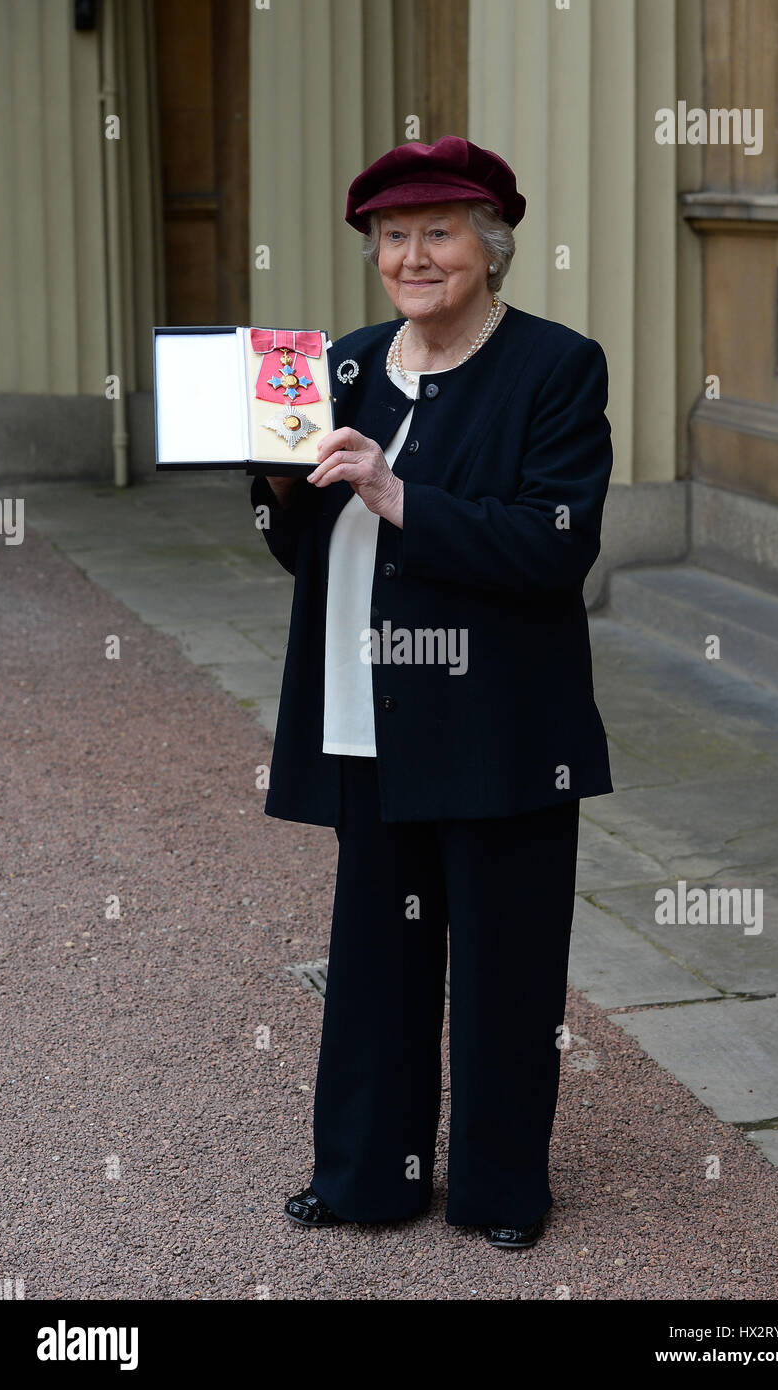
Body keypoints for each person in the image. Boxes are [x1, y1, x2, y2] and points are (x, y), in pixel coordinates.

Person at [250, 135, 614, 1248]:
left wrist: (395, 490)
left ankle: (502, 1193)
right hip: (370, 715)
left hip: (500, 723)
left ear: (490, 248)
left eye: (438, 233)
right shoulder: (344, 364)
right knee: (374, 963)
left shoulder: (555, 366)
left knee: (504, 970)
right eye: (393, 236)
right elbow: (301, 546)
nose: (414, 255)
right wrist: (275, 486)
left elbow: (553, 548)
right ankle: (365, 1177)